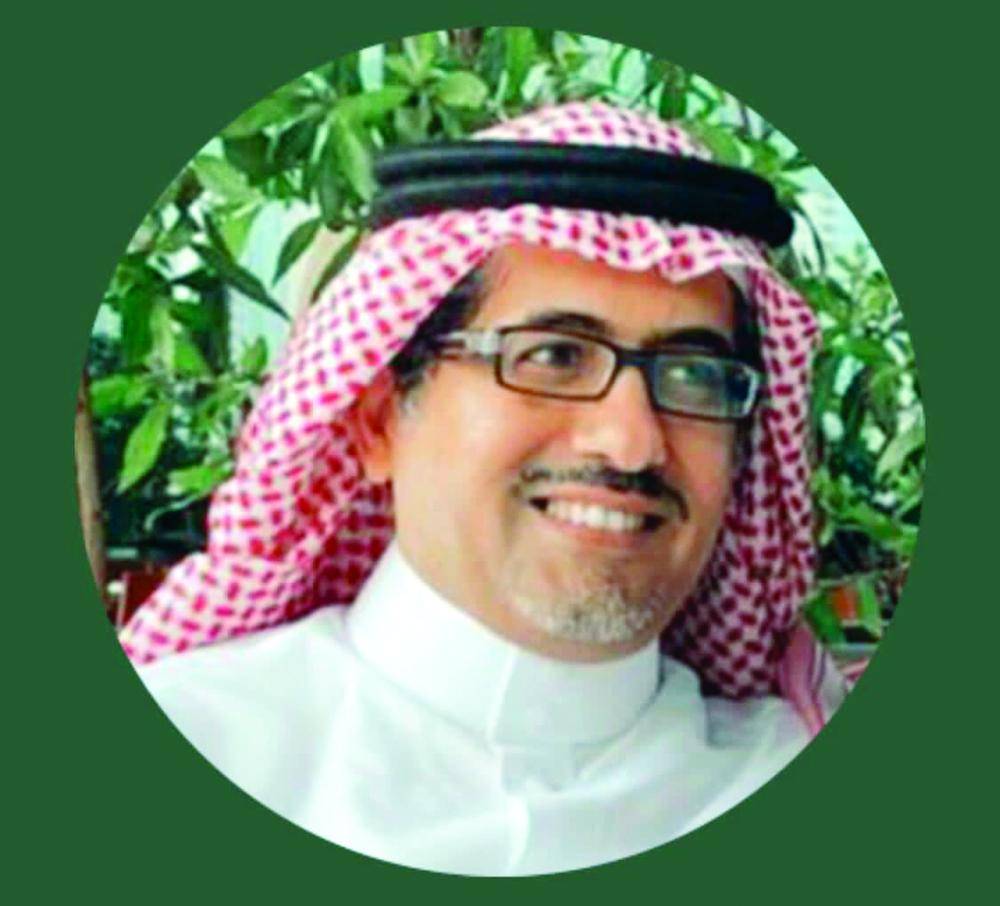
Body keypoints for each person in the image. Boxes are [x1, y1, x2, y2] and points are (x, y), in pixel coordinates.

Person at [120, 101, 849, 875]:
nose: (632, 442)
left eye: (695, 376)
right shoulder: (199, 739)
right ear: (378, 423)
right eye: (553, 357)